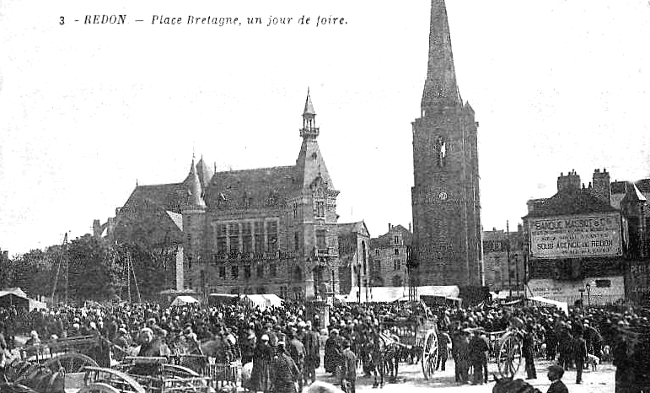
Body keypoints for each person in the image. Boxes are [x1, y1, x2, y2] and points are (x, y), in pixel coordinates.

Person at [302, 321, 320, 385]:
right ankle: (313, 380)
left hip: (308, 354)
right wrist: (317, 353)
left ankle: (306, 380)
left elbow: (304, 345)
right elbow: (317, 345)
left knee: (306, 368)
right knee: (312, 368)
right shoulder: (315, 334)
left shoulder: (305, 334)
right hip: (313, 354)